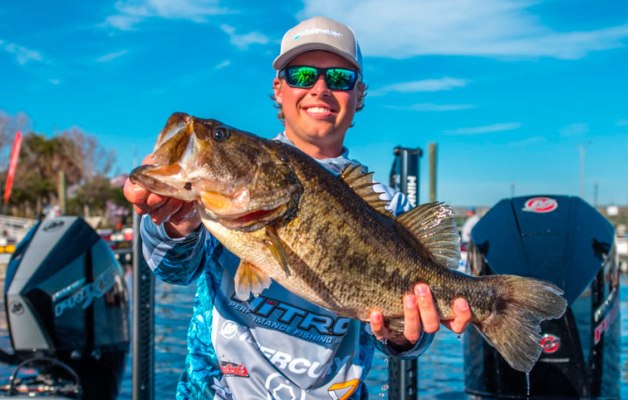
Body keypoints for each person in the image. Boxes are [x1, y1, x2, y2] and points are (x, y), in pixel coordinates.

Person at [124, 16, 472, 399]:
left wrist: (403, 337)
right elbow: (173, 269)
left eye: (340, 78)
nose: (320, 88)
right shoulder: (218, 197)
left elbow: (409, 340)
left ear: (359, 94)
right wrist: (175, 223)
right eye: (302, 75)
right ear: (279, 89)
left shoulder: (392, 207)